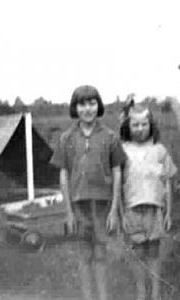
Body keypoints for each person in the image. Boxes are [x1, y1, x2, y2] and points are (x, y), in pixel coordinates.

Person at [50, 85, 126, 300]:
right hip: (78, 205)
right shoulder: (66, 138)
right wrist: (68, 212)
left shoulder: (110, 137)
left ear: (98, 105)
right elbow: (63, 174)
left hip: (102, 204)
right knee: (84, 255)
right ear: (75, 107)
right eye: (82, 104)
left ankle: (103, 296)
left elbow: (117, 172)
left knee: (101, 253)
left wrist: (113, 210)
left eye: (92, 103)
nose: (87, 109)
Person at [120, 103, 177, 300]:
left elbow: (167, 182)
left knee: (153, 252)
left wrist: (169, 212)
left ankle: (155, 292)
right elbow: (118, 185)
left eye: (144, 124)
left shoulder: (160, 150)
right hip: (132, 209)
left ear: (151, 125)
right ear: (128, 126)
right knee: (138, 253)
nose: (140, 128)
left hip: (155, 209)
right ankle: (140, 291)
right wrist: (120, 213)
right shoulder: (122, 150)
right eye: (135, 125)